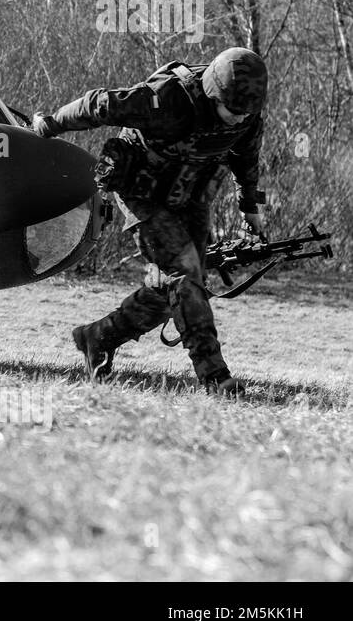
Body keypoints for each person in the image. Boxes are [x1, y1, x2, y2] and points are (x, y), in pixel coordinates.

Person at [32, 47, 269, 394]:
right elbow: (102, 104)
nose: (238, 118)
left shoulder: (246, 115)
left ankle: (98, 338)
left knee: (180, 287)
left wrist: (250, 208)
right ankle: (215, 377)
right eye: (232, 109)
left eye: (245, 112)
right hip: (142, 193)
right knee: (185, 273)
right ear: (214, 92)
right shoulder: (168, 100)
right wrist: (50, 124)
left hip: (190, 194)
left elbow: (246, 159)